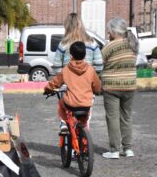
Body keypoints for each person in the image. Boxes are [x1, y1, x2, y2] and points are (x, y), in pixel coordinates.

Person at [101, 18, 138, 159]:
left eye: (109, 30)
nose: (107, 33)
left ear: (114, 31)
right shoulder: (133, 44)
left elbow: (100, 64)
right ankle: (128, 149)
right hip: (129, 85)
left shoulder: (109, 46)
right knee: (127, 116)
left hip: (112, 86)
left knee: (113, 118)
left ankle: (114, 150)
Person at [44, 41, 101, 129]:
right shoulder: (91, 70)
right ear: (85, 55)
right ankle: (84, 127)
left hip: (71, 104)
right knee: (85, 115)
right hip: (86, 104)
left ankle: (64, 123)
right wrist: (97, 91)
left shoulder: (66, 70)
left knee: (61, 102)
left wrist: (47, 89)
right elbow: (97, 87)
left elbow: (55, 83)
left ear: (71, 55)